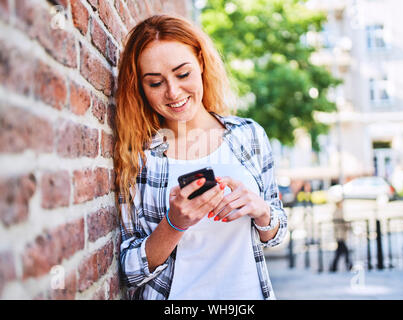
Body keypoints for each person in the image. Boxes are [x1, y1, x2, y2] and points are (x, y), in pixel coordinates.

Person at [114, 14, 287, 300]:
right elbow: (127, 271)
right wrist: (174, 223)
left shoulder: (249, 136)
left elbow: (277, 237)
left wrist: (261, 211)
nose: (173, 92)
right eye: (155, 83)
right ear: (141, 89)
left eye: (183, 74)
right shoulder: (139, 158)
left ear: (202, 64)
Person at [329, 200, 352, 272]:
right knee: (345, 252)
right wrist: (347, 226)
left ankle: (334, 267)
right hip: (340, 235)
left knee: (340, 253)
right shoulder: (338, 212)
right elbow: (339, 223)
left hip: (340, 235)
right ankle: (349, 265)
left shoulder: (338, 211)